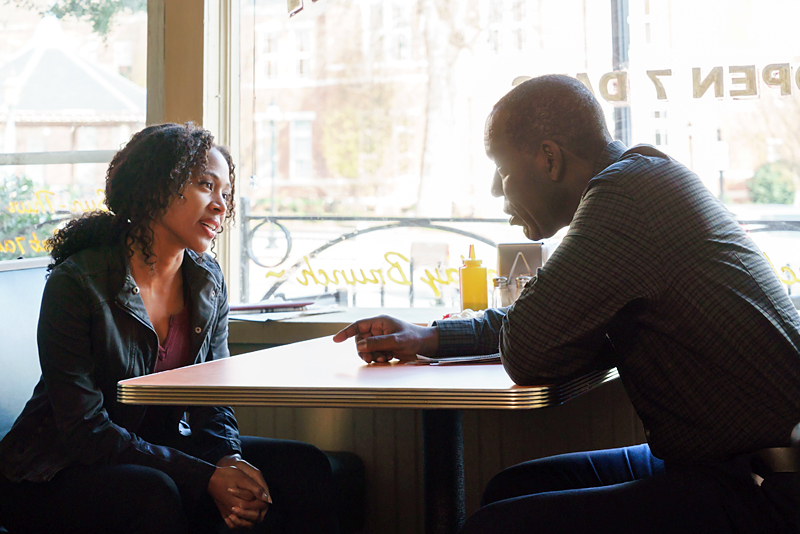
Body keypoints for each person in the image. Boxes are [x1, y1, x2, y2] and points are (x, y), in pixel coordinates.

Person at [333, 74, 800, 533]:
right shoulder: (646, 176)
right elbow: (549, 320)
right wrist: (429, 336)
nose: (497, 190)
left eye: (502, 170)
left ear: (549, 159)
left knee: (494, 526)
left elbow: (529, 350)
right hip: (728, 465)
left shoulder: (625, 196)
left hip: (767, 489)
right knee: (513, 488)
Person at [0, 123, 338, 534]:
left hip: (149, 452)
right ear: (156, 186)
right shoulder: (77, 283)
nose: (220, 206)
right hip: (51, 470)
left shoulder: (206, 279)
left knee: (303, 468)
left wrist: (227, 459)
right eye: (205, 185)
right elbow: (85, 432)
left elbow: (213, 397)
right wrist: (203, 476)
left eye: (226, 194)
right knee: (156, 491)